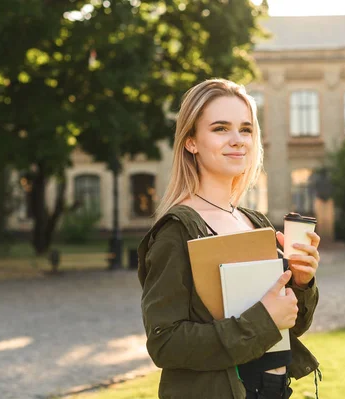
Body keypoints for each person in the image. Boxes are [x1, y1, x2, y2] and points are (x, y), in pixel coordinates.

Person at [137, 78, 321, 399]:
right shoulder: (177, 229)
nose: (238, 140)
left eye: (246, 129)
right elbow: (165, 343)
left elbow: (285, 329)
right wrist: (263, 318)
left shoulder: (255, 222)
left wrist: (302, 283)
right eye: (221, 128)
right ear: (191, 141)